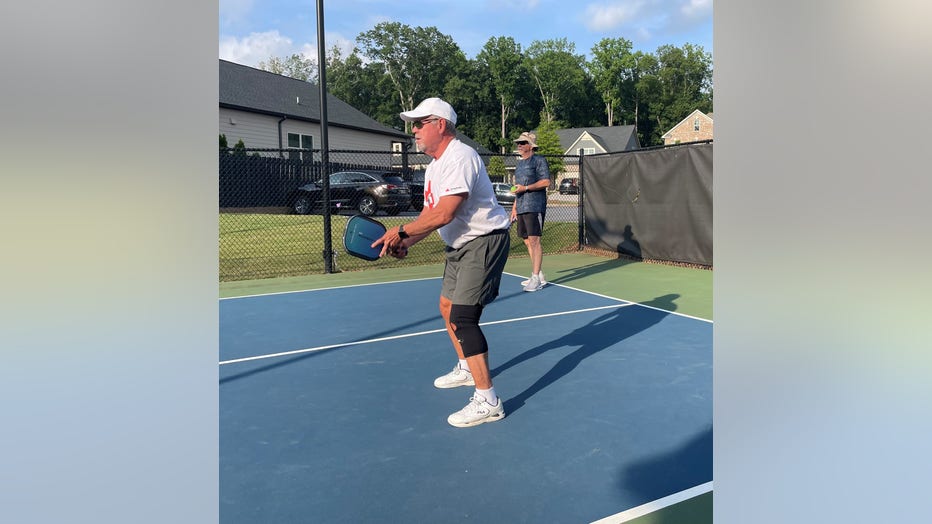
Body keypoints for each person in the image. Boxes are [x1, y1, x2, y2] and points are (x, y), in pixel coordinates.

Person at [372, 97, 512, 428]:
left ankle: (488, 400)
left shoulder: (461, 156)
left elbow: (446, 212)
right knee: (447, 306)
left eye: (419, 124)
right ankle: (466, 367)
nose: (414, 131)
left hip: (484, 241)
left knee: (464, 317)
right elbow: (430, 216)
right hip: (459, 245)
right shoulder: (434, 167)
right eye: (413, 125)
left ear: (440, 125)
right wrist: (405, 242)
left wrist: (400, 230)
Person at [510, 131, 551, 292]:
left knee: (535, 241)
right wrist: (514, 208)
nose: (519, 145)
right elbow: (518, 188)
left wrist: (526, 188)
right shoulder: (519, 165)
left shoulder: (539, 160)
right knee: (526, 240)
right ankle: (538, 274)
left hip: (535, 206)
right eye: (518, 143)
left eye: (522, 143)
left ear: (530, 146)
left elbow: (546, 181)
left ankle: (535, 279)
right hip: (521, 206)